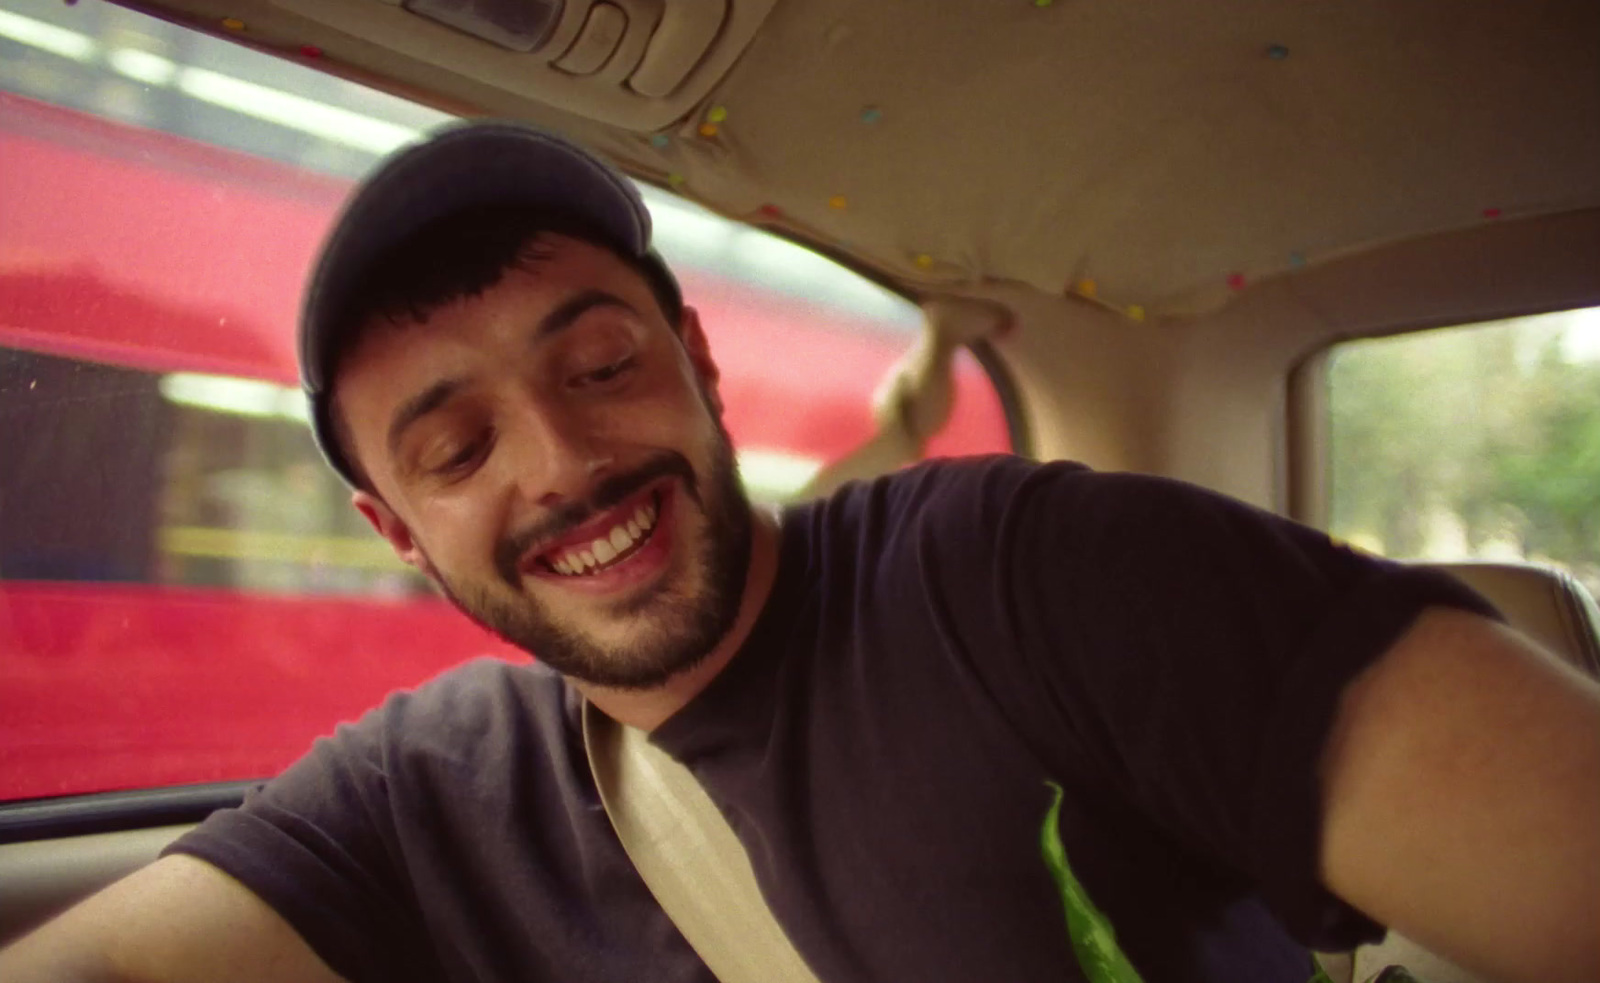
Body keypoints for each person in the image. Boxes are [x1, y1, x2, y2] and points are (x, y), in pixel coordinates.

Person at [3, 121, 1597, 983]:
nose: (565, 462)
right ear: (398, 533)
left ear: (694, 359)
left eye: (602, 360)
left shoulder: (1030, 576)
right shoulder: (417, 797)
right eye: (458, 446)